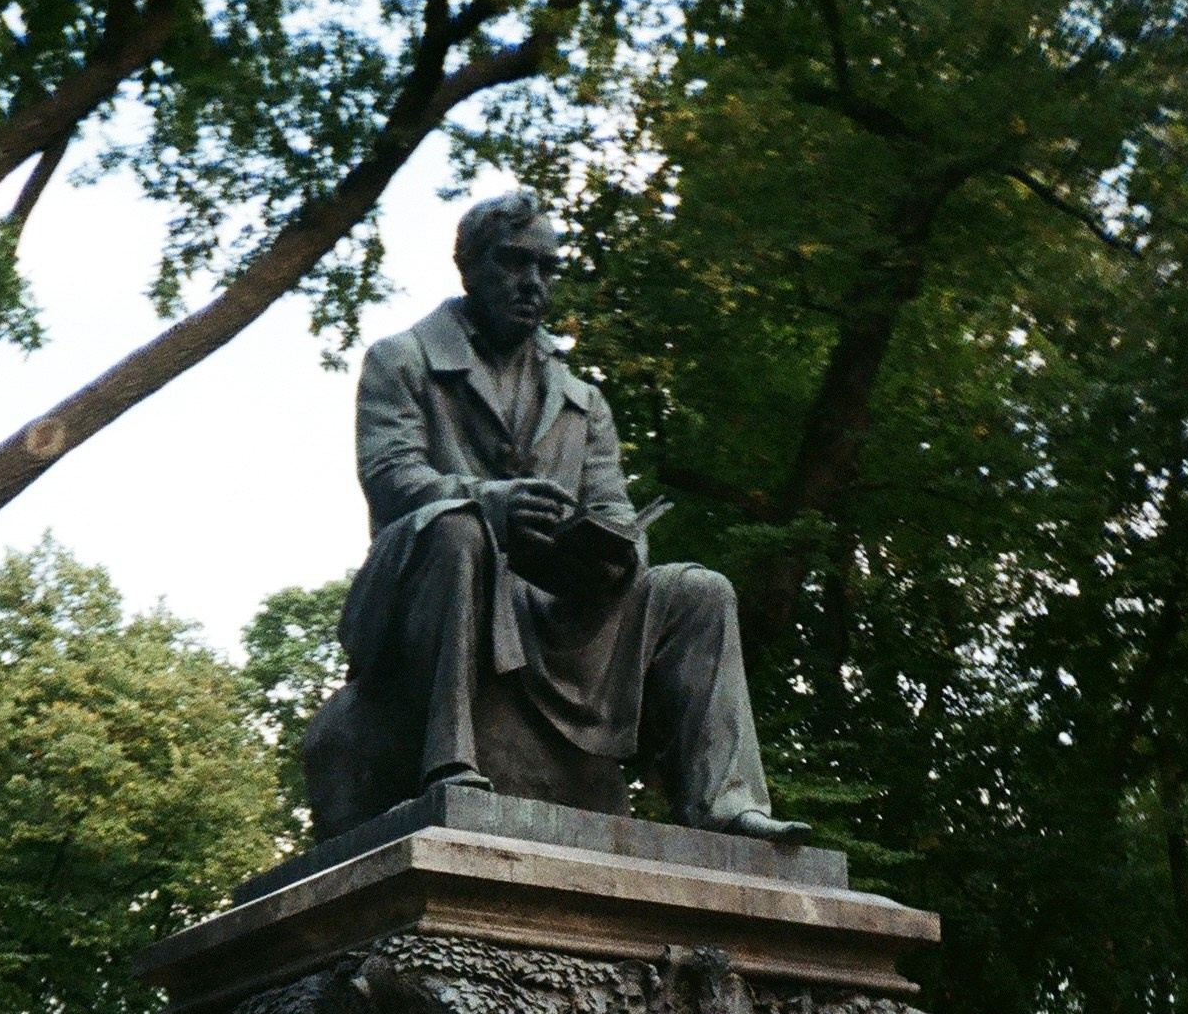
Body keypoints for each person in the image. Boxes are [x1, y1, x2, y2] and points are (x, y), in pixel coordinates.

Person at [301, 191, 811, 844]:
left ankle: (722, 799)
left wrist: (612, 553)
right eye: (514, 263)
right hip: (429, 588)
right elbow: (393, 480)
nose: (532, 283)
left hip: (554, 612)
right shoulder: (403, 360)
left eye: (546, 269)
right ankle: (450, 765)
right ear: (469, 266)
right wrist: (490, 503)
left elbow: (614, 513)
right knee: (458, 528)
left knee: (700, 592)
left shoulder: (581, 400)